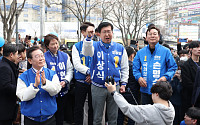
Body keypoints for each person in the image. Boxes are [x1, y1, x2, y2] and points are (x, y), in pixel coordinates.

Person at [82, 22, 129, 125]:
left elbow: (125, 67)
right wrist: (89, 37)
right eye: (104, 32)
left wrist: (124, 83)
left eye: (109, 31)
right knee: (97, 117)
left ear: (112, 32)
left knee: (113, 117)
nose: (107, 34)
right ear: (99, 33)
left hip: (114, 86)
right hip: (97, 86)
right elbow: (86, 52)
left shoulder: (120, 48)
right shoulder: (94, 46)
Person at [16, 46, 61, 125]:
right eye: (37, 56)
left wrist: (45, 83)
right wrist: (34, 86)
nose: (41, 58)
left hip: (49, 118)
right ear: (30, 60)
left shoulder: (52, 74)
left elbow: (56, 91)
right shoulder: (23, 76)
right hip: (31, 119)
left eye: (42, 56)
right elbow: (22, 96)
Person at [133, 26, 177, 105]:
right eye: (150, 34)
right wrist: (139, 77)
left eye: (155, 34)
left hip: (160, 91)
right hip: (145, 90)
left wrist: (165, 77)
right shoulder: (140, 52)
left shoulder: (165, 51)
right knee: (146, 114)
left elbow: (173, 67)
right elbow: (135, 68)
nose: (152, 36)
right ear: (146, 37)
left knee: (159, 115)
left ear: (159, 37)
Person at [105, 81, 175, 125]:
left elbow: (127, 108)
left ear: (156, 94)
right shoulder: (171, 108)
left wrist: (114, 92)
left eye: (152, 94)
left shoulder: (150, 110)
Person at [44, 34, 73, 125]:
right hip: (50, 91)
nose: (55, 46)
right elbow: (43, 73)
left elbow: (70, 70)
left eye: (56, 43)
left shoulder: (65, 56)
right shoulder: (44, 57)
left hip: (63, 90)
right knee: (50, 115)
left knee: (61, 114)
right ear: (47, 46)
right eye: (52, 44)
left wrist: (66, 81)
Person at [72, 22, 94, 125]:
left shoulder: (96, 45)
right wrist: (88, 72)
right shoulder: (76, 46)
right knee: (78, 107)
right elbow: (77, 64)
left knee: (92, 107)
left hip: (94, 81)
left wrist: (92, 75)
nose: (92, 33)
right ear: (83, 32)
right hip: (81, 81)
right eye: (89, 31)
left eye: (93, 31)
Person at [117, 46, 140, 125]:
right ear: (132, 55)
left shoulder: (119, 66)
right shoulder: (135, 67)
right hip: (132, 93)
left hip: (121, 91)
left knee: (119, 114)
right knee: (132, 115)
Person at [0, 44, 19, 125]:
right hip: (4, 110)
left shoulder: (6, 64)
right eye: (17, 54)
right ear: (11, 55)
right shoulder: (4, 67)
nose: (18, 56)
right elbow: (6, 86)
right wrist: (20, 89)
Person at [181, 41, 200, 120]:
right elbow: (187, 83)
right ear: (191, 50)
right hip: (190, 97)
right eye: (197, 47)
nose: (199, 49)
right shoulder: (186, 65)